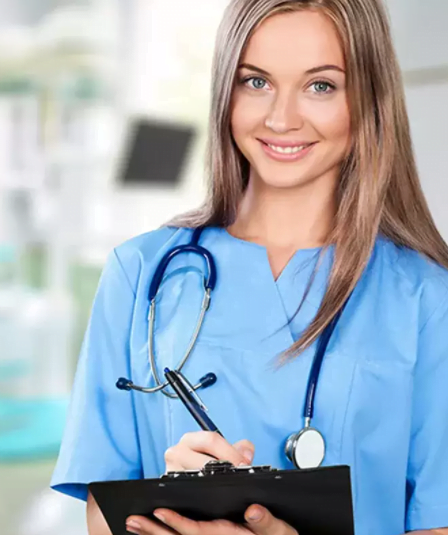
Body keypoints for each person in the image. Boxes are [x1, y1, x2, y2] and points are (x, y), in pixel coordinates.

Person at [50, 0, 448, 534]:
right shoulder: (140, 272)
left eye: (321, 86)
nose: (281, 118)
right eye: (255, 82)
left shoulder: (426, 298)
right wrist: (169, 507)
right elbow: (103, 512)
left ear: (369, 99)